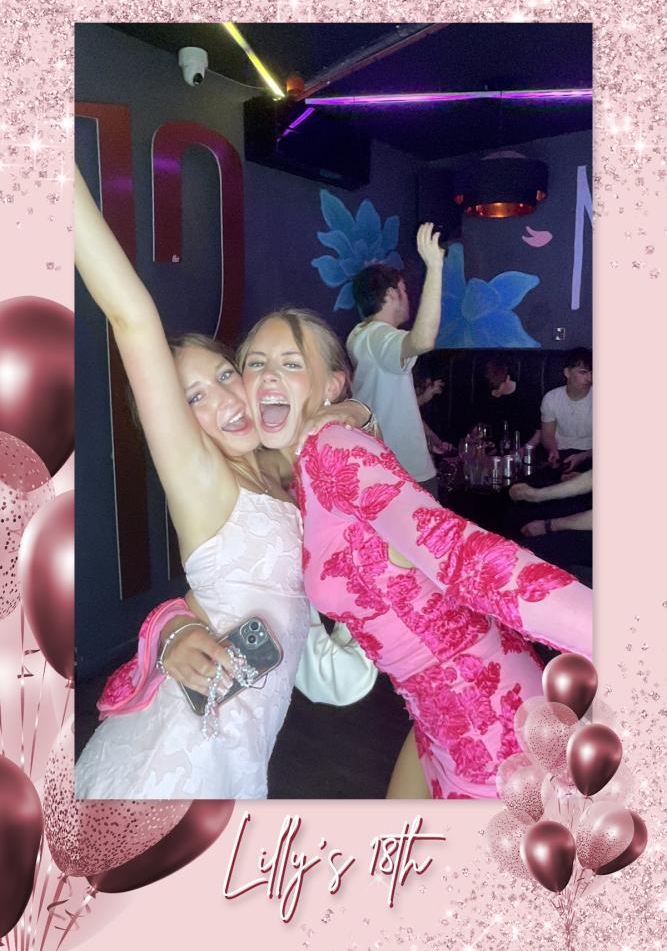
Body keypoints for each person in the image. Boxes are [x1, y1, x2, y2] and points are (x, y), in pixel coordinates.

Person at [73, 170, 372, 800]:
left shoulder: (279, 476)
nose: (226, 399)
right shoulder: (201, 479)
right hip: (180, 754)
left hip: (240, 750)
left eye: (226, 375)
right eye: (193, 398)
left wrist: (349, 411)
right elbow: (132, 318)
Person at [237, 309, 593, 800]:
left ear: (332, 385)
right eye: (255, 363)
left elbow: (460, 553)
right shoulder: (297, 469)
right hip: (437, 719)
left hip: (492, 729)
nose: (269, 375)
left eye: (291, 363)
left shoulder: (330, 446)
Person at [346, 224, 445, 497]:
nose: (407, 299)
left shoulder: (361, 335)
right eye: (405, 291)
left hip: (383, 468)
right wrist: (435, 267)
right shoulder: (377, 335)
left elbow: (392, 403)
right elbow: (423, 341)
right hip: (404, 474)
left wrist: (428, 436)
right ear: (391, 294)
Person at [540, 348, 593, 471]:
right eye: (583, 373)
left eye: (592, 372)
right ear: (567, 373)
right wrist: (552, 450)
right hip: (562, 453)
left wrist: (583, 456)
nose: (589, 378)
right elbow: (547, 434)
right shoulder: (551, 398)